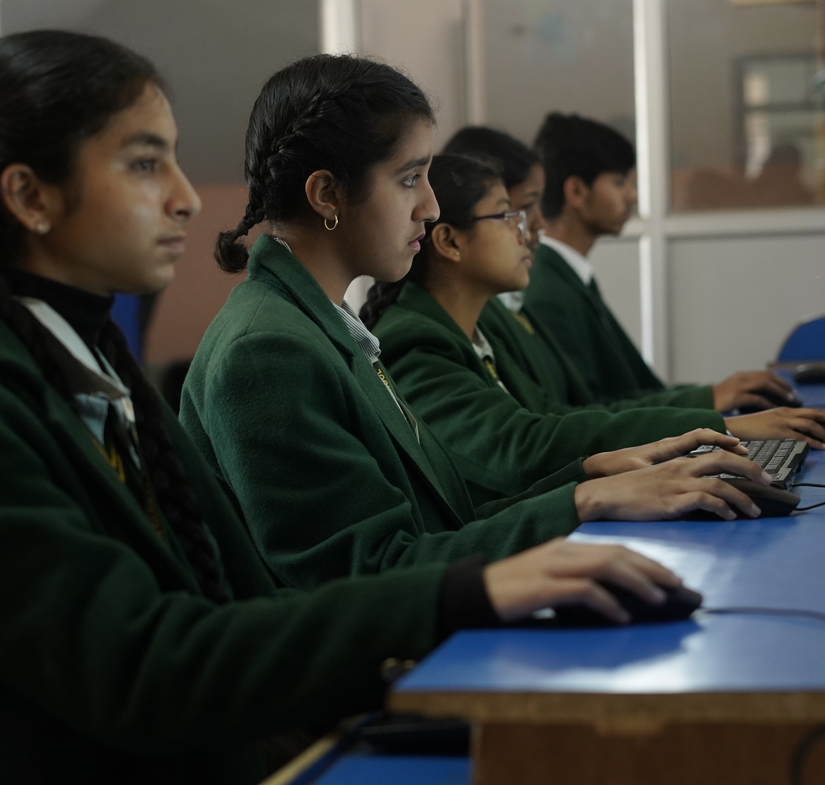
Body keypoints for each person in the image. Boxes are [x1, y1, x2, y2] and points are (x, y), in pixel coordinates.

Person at [0, 31, 698, 785]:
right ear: (31, 196)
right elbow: (153, 667)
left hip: (215, 776)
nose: (184, 196)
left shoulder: (84, 357)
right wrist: (470, 587)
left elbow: (240, 591)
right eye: (145, 164)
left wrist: (567, 506)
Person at [182, 55, 772, 593]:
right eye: (410, 178)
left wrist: (594, 476)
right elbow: (363, 578)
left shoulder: (320, 325)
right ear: (327, 195)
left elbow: (447, 523)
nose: (431, 206)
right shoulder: (268, 349)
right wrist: (586, 500)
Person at [363, 154, 825, 500]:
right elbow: (521, 445)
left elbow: (556, 413)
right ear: (449, 241)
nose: (528, 230)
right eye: (509, 215)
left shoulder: (482, 323)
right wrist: (711, 427)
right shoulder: (417, 339)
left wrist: (702, 426)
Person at [445, 123, 797, 414]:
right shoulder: (540, 292)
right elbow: (562, 418)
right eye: (619, 182)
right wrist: (707, 406)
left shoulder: (549, 287)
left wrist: (710, 400)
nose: (534, 224)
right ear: (577, 191)